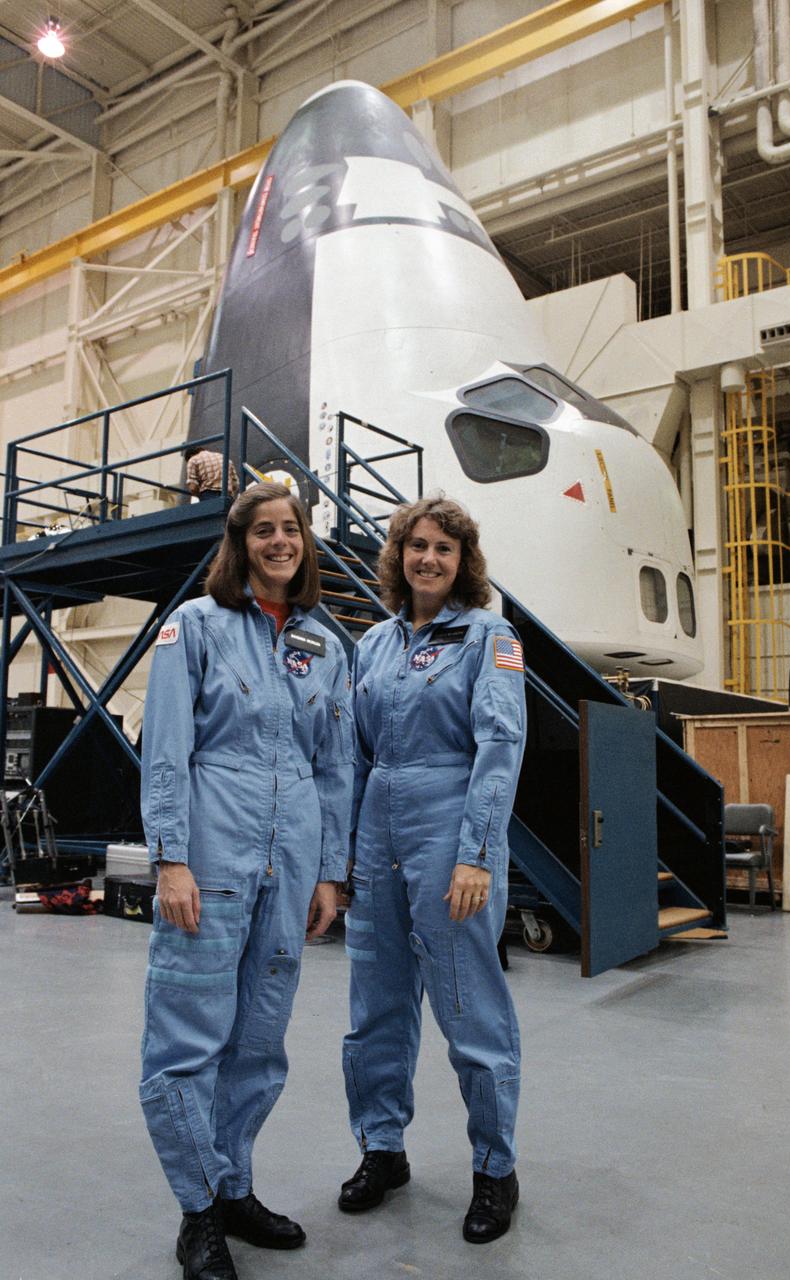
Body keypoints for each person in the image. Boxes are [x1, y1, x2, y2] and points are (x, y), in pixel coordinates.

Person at [139, 481, 353, 1280]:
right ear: (241, 544)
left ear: (305, 542)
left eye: (289, 529)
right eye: (262, 530)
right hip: (213, 853)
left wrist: (329, 875)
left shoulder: (325, 645)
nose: (278, 542)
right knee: (187, 1042)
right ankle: (198, 1214)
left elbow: (333, 768)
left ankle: (234, 1187)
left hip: (291, 859)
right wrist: (170, 856)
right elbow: (165, 748)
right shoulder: (193, 628)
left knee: (259, 1043)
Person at [340, 497, 527, 1244]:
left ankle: (494, 1167)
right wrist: (342, 860)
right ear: (398, 556)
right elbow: (352, 757)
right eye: (416, 546)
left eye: (444, 548)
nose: (428, 559)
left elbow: (500, 746)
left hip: (450, 831)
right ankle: (381, 1150)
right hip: (377, 829)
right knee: (375, 1011)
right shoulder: (374, 645)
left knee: (469, 1010)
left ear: (463, 560)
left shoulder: (489, 636)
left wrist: (477, 853)